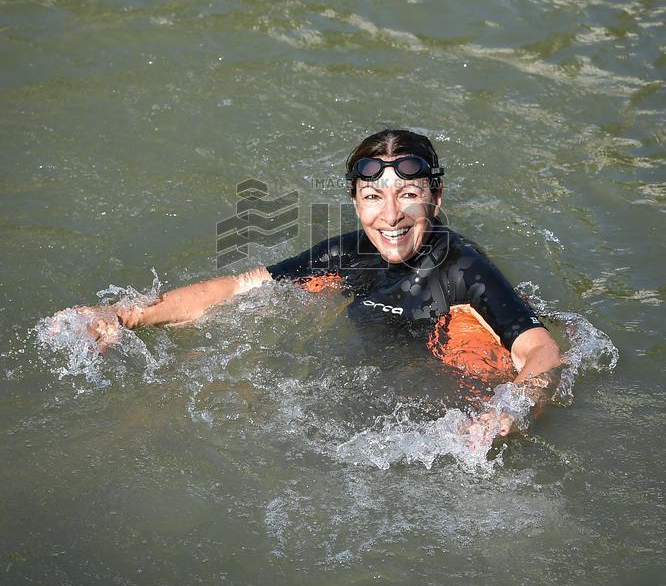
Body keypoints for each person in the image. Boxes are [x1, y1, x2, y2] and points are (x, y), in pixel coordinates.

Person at [72, 128, 562, 451]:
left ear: (436, 198)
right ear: (355, 202)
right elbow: (238, 288)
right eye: (373, 197)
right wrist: (124, 315)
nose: (390, 215)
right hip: (377, 402)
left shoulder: (464, 268)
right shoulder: (348, 254)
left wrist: (506, 413)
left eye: (409, 195)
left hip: (458, 409)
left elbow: (542, 351)